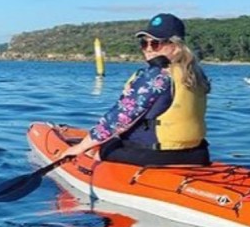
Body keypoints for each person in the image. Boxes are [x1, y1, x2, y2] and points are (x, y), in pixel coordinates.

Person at [62, 13, 211, 166]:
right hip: (197, 154)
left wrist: (81, 147)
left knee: (97, 150)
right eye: (144, 43)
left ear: (175, 46)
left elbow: (119, 117)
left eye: (155, 44)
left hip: (157, 155)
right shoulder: (196, 74)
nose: (148, 49)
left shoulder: (157, 75)